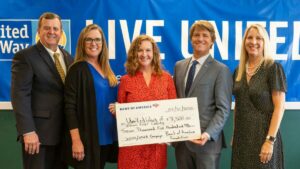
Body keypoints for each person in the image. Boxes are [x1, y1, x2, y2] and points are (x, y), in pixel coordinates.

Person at [11, 12, 73, 169]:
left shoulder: (68, 57)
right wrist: (28, 131)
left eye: (55, 28)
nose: (51, 32)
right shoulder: (25, 56)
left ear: (61, 32)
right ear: (38, 31)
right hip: (38, 137)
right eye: (46, 28)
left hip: (63, 137)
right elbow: (20, 96)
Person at [173, 20, 232, 169]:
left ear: (212, 41)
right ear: (191, 39)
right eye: (196, 35)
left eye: (205, 35)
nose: (200, 39)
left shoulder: (221, 70)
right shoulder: (179, 66)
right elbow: (174, 102)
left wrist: (208, 134)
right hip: (182, 144)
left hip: (207, 145)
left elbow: (223, 109)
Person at [115, 34, 177, 169]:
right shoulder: (126, 80)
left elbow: (174, 111)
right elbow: (121, 113)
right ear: (134, 54)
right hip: (132, 147)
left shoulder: (166, 79)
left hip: (157, 147)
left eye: (148, 50)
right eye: (140, 50)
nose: (144, 54)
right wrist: (116, 110)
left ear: (153, 53)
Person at [231, 24, 286, 169]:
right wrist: (235, 133)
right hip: (241, 139)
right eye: (249, 38)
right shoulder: (238, 71)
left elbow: (279, 107)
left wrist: (270, 140)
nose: (253, 42)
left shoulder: (273, 68)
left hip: (264, 137)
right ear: (244, 42)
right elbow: (239, 104)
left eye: (258, 38)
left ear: (264, 43)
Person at [64, 24, 118, 169]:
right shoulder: (77, 70)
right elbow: (69, 108)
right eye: (89, 40)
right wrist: (76, 141)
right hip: (88, 140)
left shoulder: (107, 69)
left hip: (108, 137)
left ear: (103, 43)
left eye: (97, 40)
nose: (93, 43)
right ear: (82, 43)